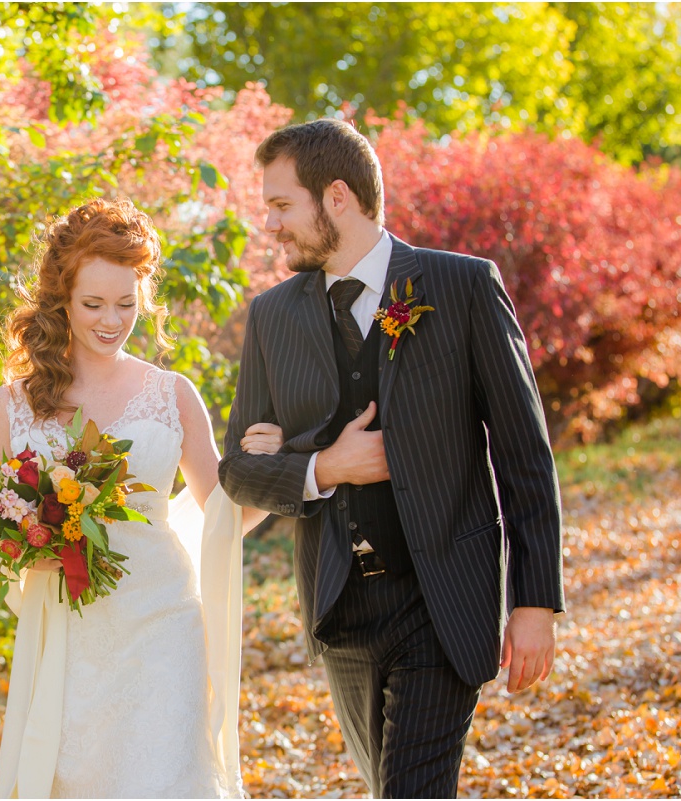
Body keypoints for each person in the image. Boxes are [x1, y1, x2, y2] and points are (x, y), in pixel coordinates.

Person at [218, 119, 565, 798]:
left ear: (337, 197)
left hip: (441, 599)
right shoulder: (273, 317)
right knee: (390, 785)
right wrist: (326, 466)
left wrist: (535, 601)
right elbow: (237, 469)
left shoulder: (462, 287)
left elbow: (525, 451)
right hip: (339, 609)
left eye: (282, 205)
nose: (272, 225)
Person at [0, 197, 280, 798]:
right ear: (61, 300)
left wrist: (271, 473)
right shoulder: (11, 406)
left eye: (127, 303)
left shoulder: (172, 394)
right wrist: (34, 547)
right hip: (68, 634)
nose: (111, 320)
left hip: (164, 624)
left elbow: (227, 513)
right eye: (93, 304)